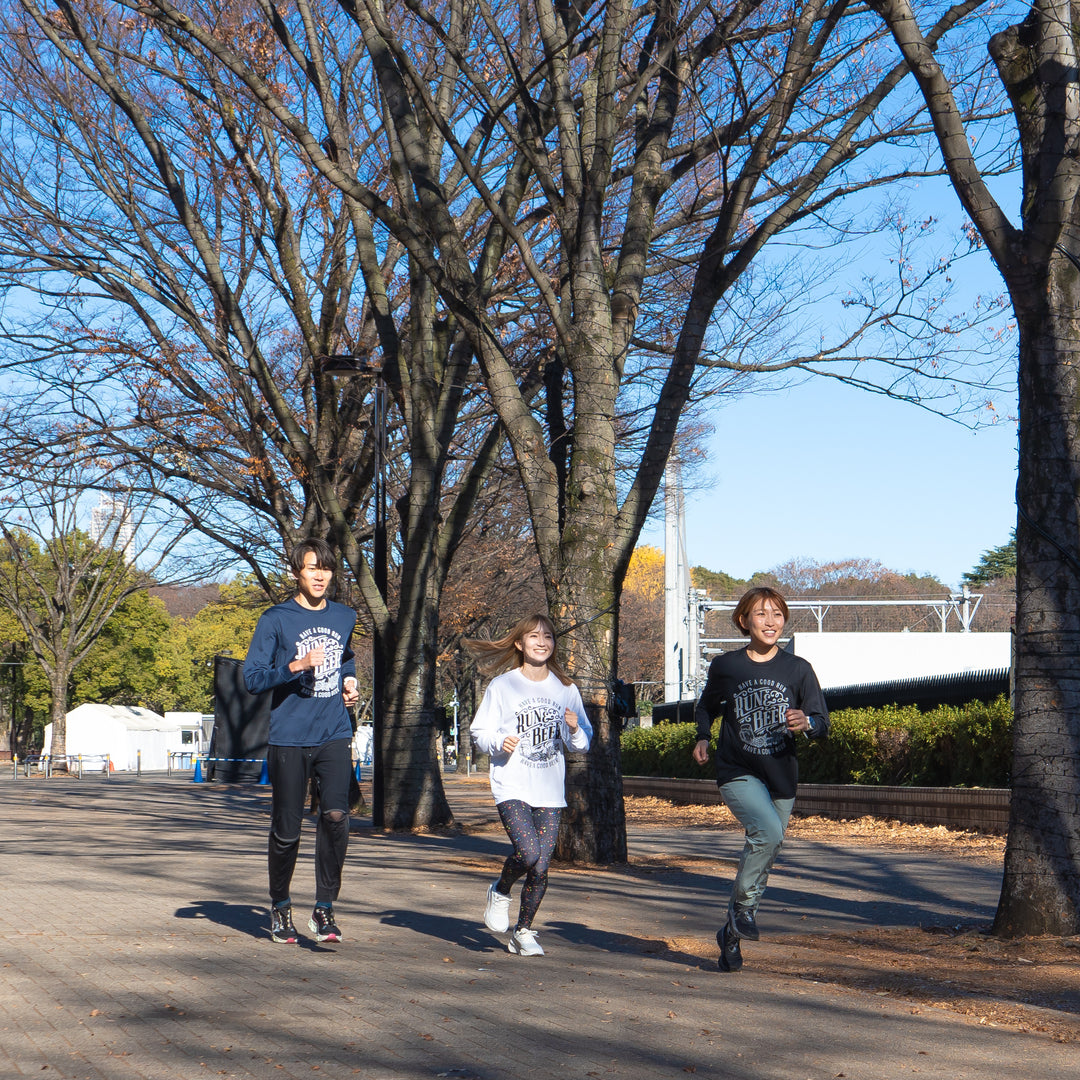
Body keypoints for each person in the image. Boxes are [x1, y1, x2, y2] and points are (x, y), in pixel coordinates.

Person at [692, 586, 829, 973]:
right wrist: (703, 736)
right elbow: (706, 705)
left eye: (777, 615)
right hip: (737, 769)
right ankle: (741, 912)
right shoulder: (728, 665)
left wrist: (807, 723)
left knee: (766, 852)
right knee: (767, 834)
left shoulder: (798, 669)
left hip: (781, 774)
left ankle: (732, 932)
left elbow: (823, 722)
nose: (770, 622)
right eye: (761, 614)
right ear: (744, 621)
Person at [243, 538, 360, 945]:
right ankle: (280, 906)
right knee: (287, 830)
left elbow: (346, 655)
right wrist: (296, 665)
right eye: (312, 568)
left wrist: (349, 681)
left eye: (326, 568)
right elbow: (252, 678)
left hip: (333, 731)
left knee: (336, 817)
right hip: (289, 737)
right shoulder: (276, 619)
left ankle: (324, 909)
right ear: (297, 571)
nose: (320, 575)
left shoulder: (345, 615)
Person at [466, 614, 592, 957]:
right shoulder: (503, 686)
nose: (542, 642)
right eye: (534, 637)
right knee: (529, 852)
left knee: (541, 866)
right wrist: (499, 741)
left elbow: (582, 742)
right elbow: (479, 732)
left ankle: (522, 931)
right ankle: (501, 889)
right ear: (520, 643)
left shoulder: (566, 688)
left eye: (548, 637)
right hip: (512, 784)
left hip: (549, 788)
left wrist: (575, 728)